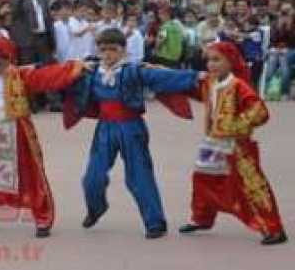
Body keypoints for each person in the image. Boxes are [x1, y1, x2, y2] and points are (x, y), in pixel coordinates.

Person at [66, 28, 199, 239]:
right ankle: (96, 208)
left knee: (139, 175)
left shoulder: (133, 70)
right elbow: (59, 77)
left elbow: (161, 77)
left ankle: (155, 223)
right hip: (105, 129)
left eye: (113, 49)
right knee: (92, 177)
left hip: (131, 127)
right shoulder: (90, 71)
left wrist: (195, 77)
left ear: (123, 50)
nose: (108, 54)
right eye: (103, 50)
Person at [0, 37, 84, 237]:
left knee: (30, 174)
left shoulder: (22, 74)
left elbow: (47, 76)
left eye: (1, 59)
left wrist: (74, 68)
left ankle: (42, 218)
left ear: (10, 57)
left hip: (17, 130)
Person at [178, 42, 287, 245]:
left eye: (217, 60)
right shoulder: (209, 82)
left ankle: (273, 228)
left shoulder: (239, 86)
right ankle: (202, 218)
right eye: (209, 60)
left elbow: (259, 111)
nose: (211, 64)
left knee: (251, 185)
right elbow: (198, 93)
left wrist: (235, 126)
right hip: (212, 141)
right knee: (202, 180)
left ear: (231, 61)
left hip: (237, 146)